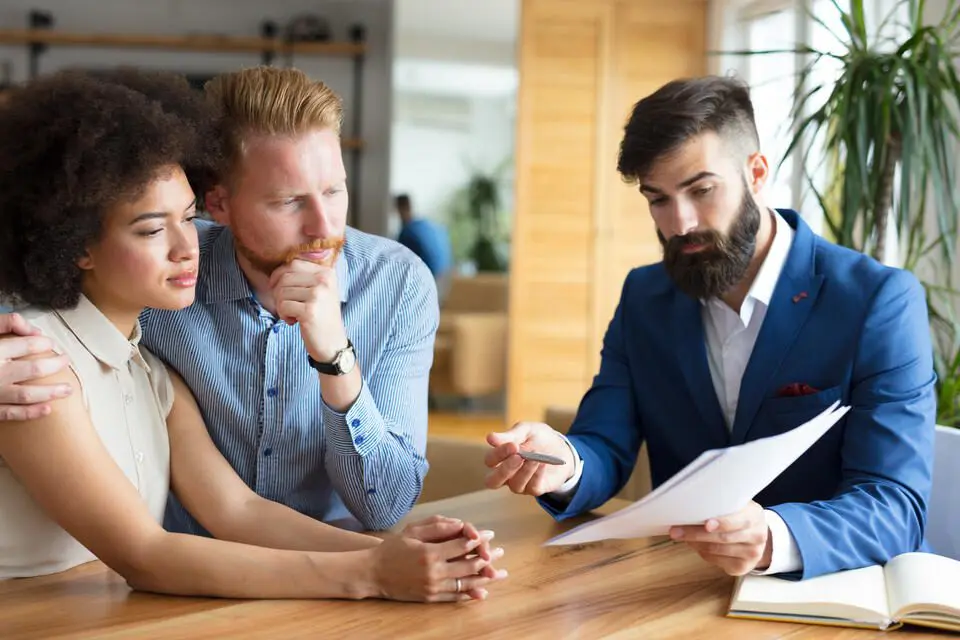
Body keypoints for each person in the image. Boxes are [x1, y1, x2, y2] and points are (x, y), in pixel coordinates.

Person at [0, 68, 506, 602]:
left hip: (130, 608)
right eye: (152, 229)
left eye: (187, 219)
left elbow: (238, 510)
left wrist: (398, 554)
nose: (186, 247)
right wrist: (373, 574)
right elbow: (146, 554)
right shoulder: (31, 363)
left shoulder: (149, 370)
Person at [482, 76, 936, 581]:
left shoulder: (877, 302)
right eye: (658, 199)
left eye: (701, 190)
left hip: (831, 597)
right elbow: (605, 446)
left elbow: (895, 505)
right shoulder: (644, 298)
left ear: (756, 173)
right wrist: (564, 462)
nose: (679, 223)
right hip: (680, 590)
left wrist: (772, 539)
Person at [395, 193, 453, 283]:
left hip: (430, 279)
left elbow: (397, 261)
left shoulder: (408, 232)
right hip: (446, 278)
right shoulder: (429, 226)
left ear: (399, 209)